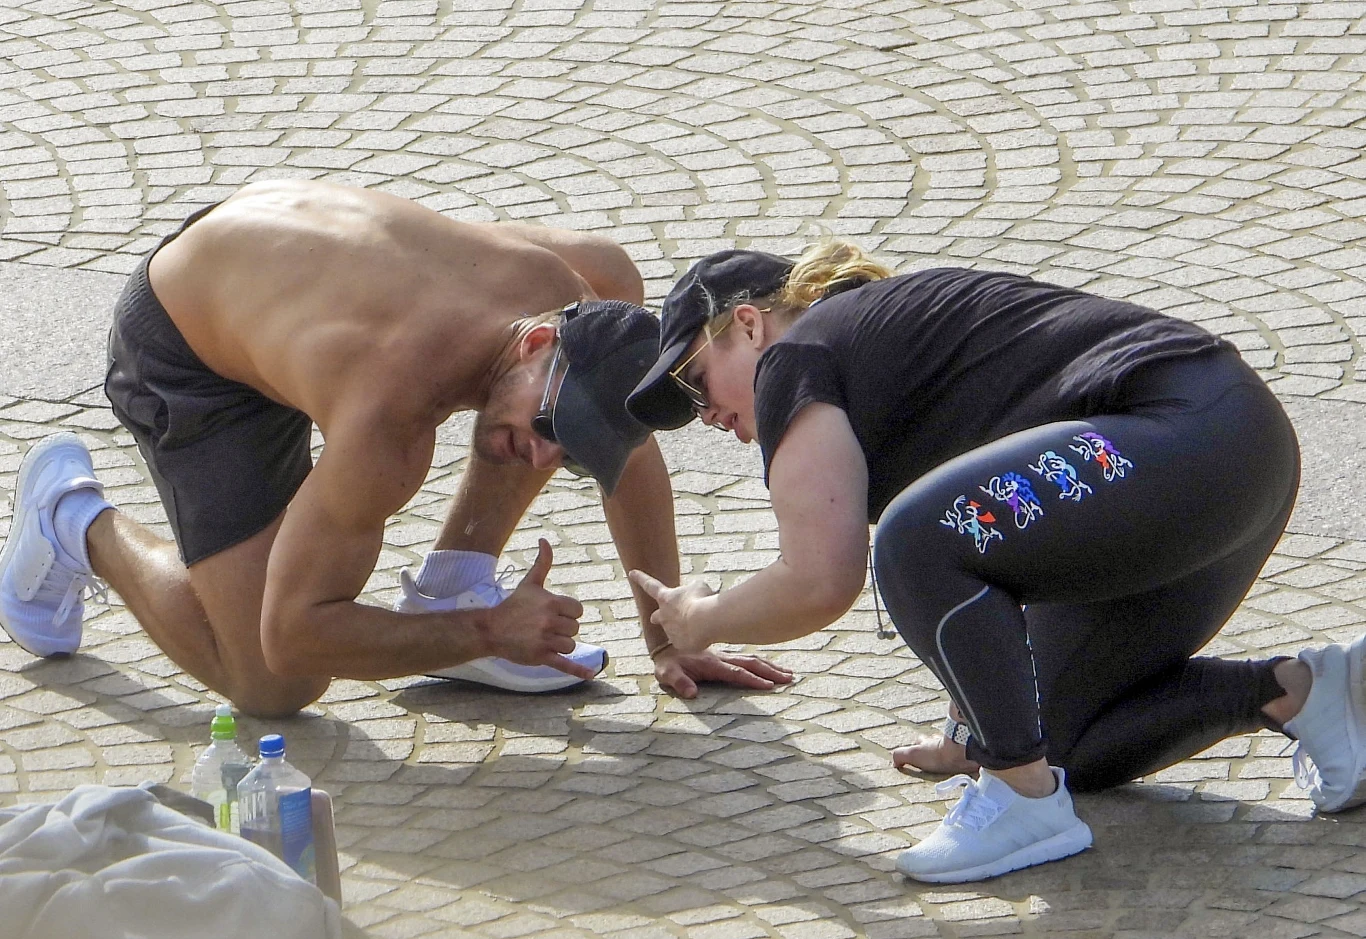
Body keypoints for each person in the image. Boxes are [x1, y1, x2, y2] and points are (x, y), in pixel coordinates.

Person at [619, 239, 1366, 885]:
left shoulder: (796, 357)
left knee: (913, 535)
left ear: (747, 324)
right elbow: (999, 531)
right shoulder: (880, 350)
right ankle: (1309, 694)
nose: (705, 415)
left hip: (1182, 439)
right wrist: (973, 727)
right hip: (1237, 451)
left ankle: (1022, 801)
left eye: (693, 381)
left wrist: (701, 618)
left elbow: (822, 577)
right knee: (1065, 735)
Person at [0, 181, 791, 717]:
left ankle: (448, 586)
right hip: (186, 344)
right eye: (556, 431)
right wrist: (487, 632)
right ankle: (71, 516)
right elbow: (296, 627)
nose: (545, 458)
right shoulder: (388, 426)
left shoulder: (567, 293)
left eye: (570, 450)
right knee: (275, 684)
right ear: (539, 338)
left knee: (606, 279)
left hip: (282, 265)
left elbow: (628, 446)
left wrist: (672, 634)